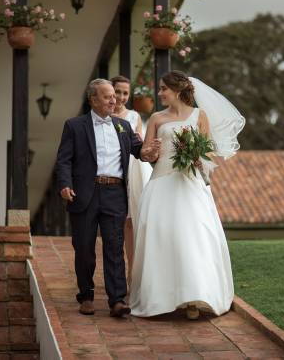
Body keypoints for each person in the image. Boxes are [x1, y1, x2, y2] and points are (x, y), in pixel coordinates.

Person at [129, 70, 245, 319]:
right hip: (161, 181)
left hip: (189, 184)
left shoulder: (199, 116)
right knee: (161, 236)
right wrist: (149, 152)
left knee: (192, 237)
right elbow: (146, 155)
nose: (159, 93)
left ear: (178, 90)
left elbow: (208, 152)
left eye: (163, 89)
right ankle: (159, 297)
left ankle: (193, 298)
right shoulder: (157, 119)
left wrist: (196, 157)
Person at [55, 79, 160, 317]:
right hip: (84, 194)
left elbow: (140, 152)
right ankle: (86, 295)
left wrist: (151, 151)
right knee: (84, 248)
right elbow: (64, 160)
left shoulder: (123, 126)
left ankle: (117, 300)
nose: (114, 100)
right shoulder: (74, 125)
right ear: (92, 99)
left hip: (114, 194)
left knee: (114, 247)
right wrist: (65, 185)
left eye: (114, 96)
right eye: (107, 97)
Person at [110, 76, 153, 287]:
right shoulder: (103, 115)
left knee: (131, 221)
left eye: (125, 93)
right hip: (112, 168)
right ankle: (118, 270)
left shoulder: (134, 116)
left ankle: (132, 271)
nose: (121, 97)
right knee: (116, 223)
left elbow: (140, 145)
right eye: (118, 92)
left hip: (133, 169)